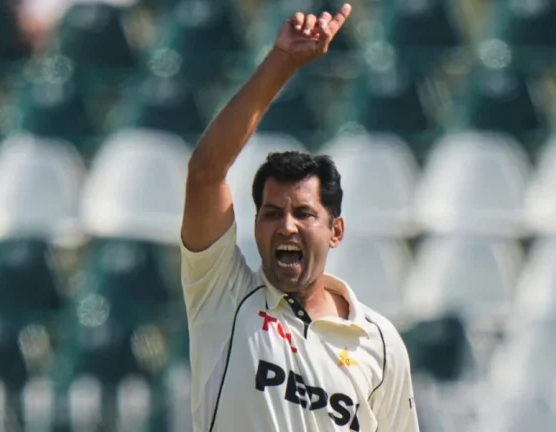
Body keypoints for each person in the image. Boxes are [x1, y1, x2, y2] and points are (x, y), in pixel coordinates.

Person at [180, 3, 420, 431]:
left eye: (304, 214)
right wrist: (283, 61)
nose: (286, 226)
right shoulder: (223, 293)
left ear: (335, 231)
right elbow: (205, 172)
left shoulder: (379, 343)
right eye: (272, 213)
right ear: (256, 224)